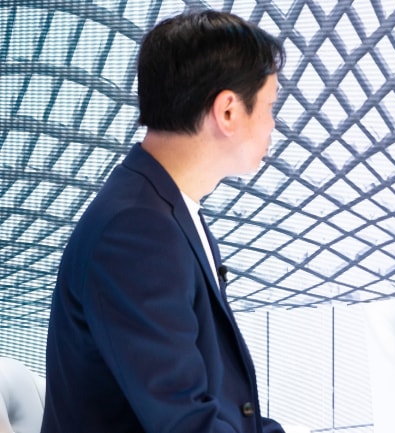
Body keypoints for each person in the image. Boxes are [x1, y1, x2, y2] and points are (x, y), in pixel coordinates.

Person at [42, 10, 286, 433]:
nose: (273, 124)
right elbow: (186, 422)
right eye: (269, 106)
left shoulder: (159, 206)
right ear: (228, 111)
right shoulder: (137, 231)